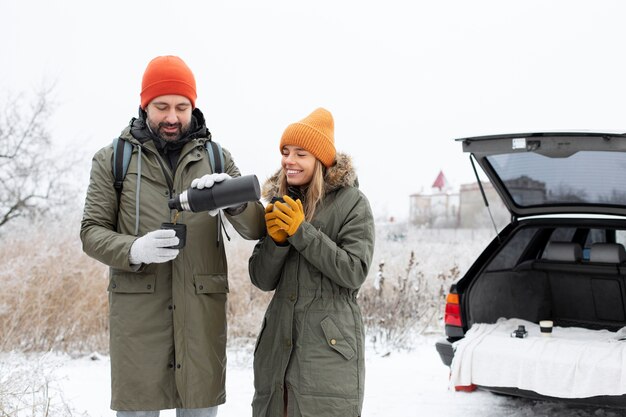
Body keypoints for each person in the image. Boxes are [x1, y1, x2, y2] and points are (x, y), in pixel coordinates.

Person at [80, 55, 265, 417]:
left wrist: (233, 200)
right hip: (139, 320)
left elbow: (255, 227)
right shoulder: (112, 159)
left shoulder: (216, 157)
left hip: (200, 318)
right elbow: (90, 232)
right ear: (144, 104)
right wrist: (134, 248)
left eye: (182, 107)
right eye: (161, 106)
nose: (172, 117)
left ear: (193, 106)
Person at [248, 108, 375, 416]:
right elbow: (262, 280)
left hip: (327, 349)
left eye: (300, 153)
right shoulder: (281, 202)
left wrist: (301, 232)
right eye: (285, 152)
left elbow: (353, 271)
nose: (288, 160)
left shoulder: (352, 204)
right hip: (278, 343)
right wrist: (277, 242)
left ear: (320, 160)